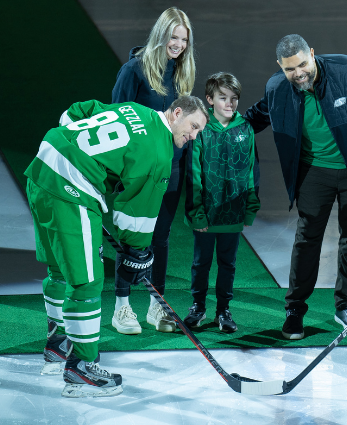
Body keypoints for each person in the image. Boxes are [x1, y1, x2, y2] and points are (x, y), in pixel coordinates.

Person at [26, 96, 208, 397]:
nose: (193, 136)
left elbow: (77, 111)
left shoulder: (135, 110)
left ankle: (58, 346)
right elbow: (137, 209)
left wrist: (74, 148)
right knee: (86, 281)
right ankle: (81, 367)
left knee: (60, 270)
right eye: (193, 126)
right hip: (71, 189)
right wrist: (138, 252)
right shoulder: (159, 152)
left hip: (43, 166)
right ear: (177, 113)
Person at [244, 34, 347, 340]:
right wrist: (218, 129)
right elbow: (256, 117)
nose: (299, 73)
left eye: (303, 64)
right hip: (313, 173)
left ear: (312, 54)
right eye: (290, 69)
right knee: (307, 239)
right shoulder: (277, 87)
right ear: (280, 66)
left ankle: (346, 307)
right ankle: (294, 310)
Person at [110, 6, 196, 335]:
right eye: (173, 37)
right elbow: (117, 121)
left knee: (159, 240)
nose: (178, 44)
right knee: (134, 239)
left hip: (171, 172)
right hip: (140, 174)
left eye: (183, 39)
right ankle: (122, 308)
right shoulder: (133, 71)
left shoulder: (181, 74)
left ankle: (156, 306)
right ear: (161, 35)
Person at [183, 72, 260, 333]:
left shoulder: (245, 129)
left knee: (228, 264)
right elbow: (193, 175)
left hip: (233, 214)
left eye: (234, 98)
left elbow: (251, 171)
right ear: (209, 99)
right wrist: (197, 213)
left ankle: (223, 310)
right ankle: (198, 306)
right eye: (223, 97)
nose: (230, 103)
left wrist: (249, 208)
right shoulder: (201, 130)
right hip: (207, 214)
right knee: (201, 262)